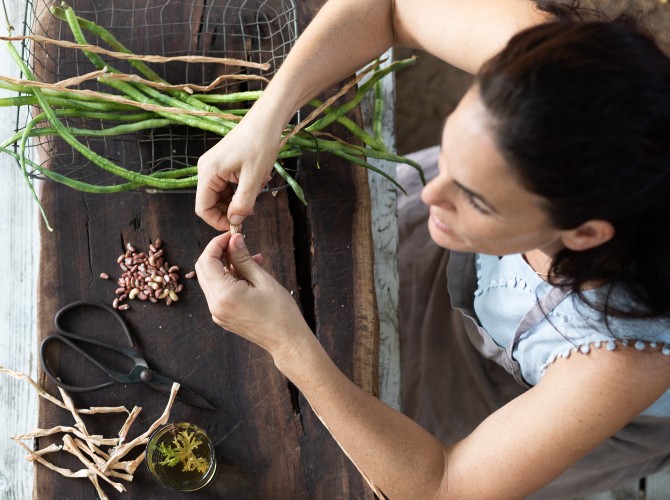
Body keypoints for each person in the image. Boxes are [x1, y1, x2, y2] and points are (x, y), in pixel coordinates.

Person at [193, 0, 670, 497]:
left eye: (477, 199)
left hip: (509, 398)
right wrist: (267, 118)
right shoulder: (550, 78)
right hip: (452, 275)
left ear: (584, 234)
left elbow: (442, 482)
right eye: (452, 152)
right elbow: (389, 7)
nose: (432, 192)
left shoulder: (627, 356)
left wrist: (288, 344)